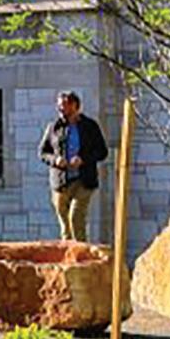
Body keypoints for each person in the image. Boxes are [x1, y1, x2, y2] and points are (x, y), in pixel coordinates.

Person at [39, 89, 109, 241]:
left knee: (76, 218)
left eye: (64, 105)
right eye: (59, 105)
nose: (60, 108)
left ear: (75, 105)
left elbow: (102, 152)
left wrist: (83, 159)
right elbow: (43, 152)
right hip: (60, 182)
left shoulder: (90, 126)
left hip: (84, 180)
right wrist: (55, 160)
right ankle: (68, 253)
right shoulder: (53, 127)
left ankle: (81, 253)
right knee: (65, 227)